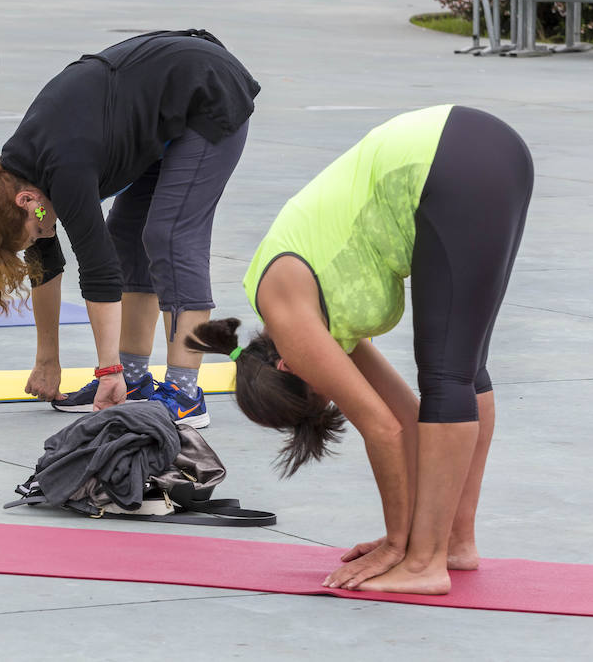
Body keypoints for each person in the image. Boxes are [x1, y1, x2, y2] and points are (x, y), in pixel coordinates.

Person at [191, 105, 532, 595]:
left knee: (448, 377)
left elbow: (383, 431)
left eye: (320, 395)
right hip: (483, 149)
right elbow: (410, 419)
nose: (336, 394)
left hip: (445, 162)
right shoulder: (312, 317)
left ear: (289, 365)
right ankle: (451, 542)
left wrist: (398, 544)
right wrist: (416, 530)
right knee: (462, 371)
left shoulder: (290, 320)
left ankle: (425, 565)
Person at [0, 30, 259, 427]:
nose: (45, 234)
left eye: (35, 232)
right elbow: (44, 259)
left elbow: (98, 272)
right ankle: (134, 381)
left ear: (27, 203)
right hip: (165, 104)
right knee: (126, 237)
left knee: (170, 236)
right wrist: (49, 359)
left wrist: (105, 371)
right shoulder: (18, 176)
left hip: (210, 92)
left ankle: (185, 394)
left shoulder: (63, 169)